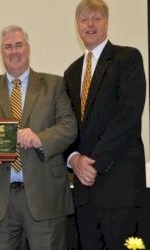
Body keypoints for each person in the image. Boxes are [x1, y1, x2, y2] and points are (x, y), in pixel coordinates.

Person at [0, 25, 77, 250]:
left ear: (28, 48)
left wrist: (39, 139)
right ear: (1, 51)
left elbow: (69, 126)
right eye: (8, 46)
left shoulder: (54, 84)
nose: (13, 51)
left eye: (18, 45)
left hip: (45, 195)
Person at [64, 0, 150, 249]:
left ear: (107, 22)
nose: (90, 24)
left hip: (119, 188)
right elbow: (68, 125)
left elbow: (128, 115)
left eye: (96, 18)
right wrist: (74, 160)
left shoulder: (128, 58)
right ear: (77, 26)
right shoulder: (71, 73)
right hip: (84, 193)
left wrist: (94, 163)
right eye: (84, 19)